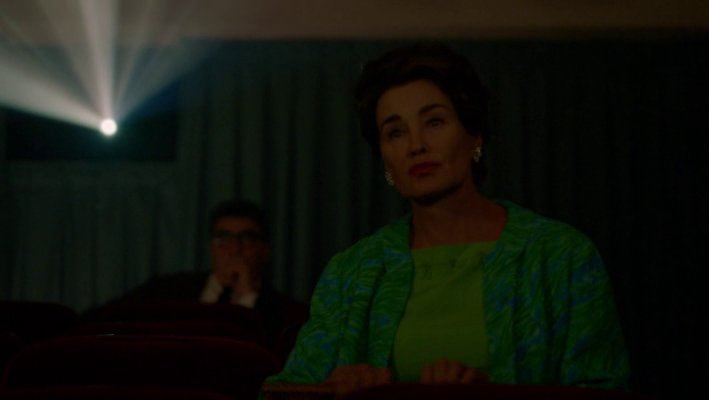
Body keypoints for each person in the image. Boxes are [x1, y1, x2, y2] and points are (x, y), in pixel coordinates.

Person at [265, 43, 629, 396]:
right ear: (384, 159)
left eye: (434, 122)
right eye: (395, 132)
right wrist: (334, 390)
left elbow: (605, 391)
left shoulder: (562, 256)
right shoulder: (350, 272)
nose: (416, 145)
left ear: (475, 135)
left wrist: (485, 396)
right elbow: (283, 393)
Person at [93, 199, 307, 341]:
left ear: (265, 250)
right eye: (223, 238)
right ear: (211, 247)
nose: (234, 249)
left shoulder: (288, 315)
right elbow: (106, 316)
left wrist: (247, 297)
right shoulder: (167, 290)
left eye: (247, 238)